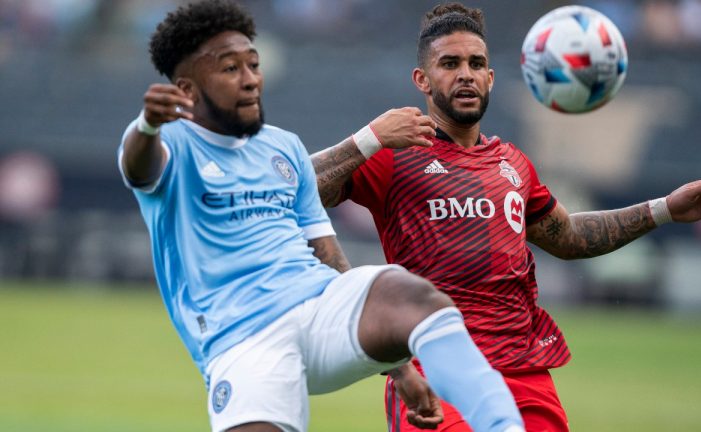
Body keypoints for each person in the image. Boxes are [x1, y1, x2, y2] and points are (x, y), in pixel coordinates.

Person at [310, 3, 701, 431]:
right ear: (421, 79)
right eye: (449, 63)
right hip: (436, 365)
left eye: (477, 64)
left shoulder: (512, 164)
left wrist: (662, 209)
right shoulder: (394, 153)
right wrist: (368, 139)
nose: (466, 74)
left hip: (524, 370)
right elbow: (295, 186)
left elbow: (568, 237)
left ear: (490, 78)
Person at [117, 1, 526, 431]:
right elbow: (137, 167)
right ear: (188, 89)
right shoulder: (167, 142)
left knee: (411, 295)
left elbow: (325, 250)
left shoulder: (283, 146)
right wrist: (147, 125)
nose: (252, 79)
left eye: (253, 65)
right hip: (242, 337)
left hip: (317, 308)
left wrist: (401, 370)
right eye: (231, 69)